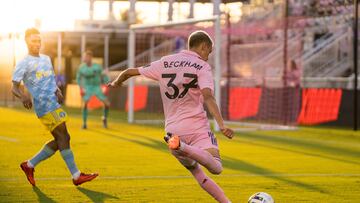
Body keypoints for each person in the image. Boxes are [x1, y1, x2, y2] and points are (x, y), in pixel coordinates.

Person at [108, 30, 234, 203]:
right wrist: (221, 124)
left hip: (173, 131)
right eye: (208, 52)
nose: (208, 56)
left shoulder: (165, 62)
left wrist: (117, 82)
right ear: (204, 46)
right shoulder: (202, 66)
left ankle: (226, 201)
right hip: (197, 127)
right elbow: (208, 96)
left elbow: (130, 71)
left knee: (196, 172)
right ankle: (183, 146)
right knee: (217, 167)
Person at [12, 28, 98, 186]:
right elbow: (14, 87)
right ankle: (76, 176)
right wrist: (23, 95)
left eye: (39, 40)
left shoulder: (46, 59)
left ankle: (29, 165)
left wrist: (57, 90)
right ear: (26, 42)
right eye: (33, 41)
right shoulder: (23, 63)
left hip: (53, 103)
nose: (37, 44)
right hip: (43, 106)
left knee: (62, 139)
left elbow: (51, 80)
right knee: (63, 137)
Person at [76, 50, 110, 129]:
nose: (85, 58)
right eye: (84, 57)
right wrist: (81, 88)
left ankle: (104, 118)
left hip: (97, 87)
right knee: (85, 104)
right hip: (87, 87)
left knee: (107, 104)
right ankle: (84, 124)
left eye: (87, 57)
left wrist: (107, 85)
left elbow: (104, 76)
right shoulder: (81, 67)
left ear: (91, 57)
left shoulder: (97, 67)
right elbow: (78, 78)